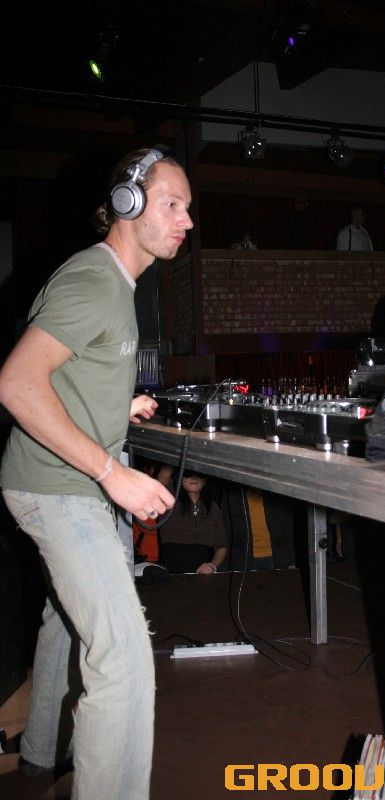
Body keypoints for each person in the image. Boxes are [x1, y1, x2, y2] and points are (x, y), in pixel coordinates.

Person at [0, 145, 193, 798]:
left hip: (62, 482)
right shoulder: (94, 281)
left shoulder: (116, 283)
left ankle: (37, 755)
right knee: (125, 662)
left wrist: (118, 403)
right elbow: (18, 383)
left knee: (66, 617)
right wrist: (112, 473)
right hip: (59, 490)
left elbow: (70, 369)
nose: (186, 220)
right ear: (126, 204)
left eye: (188, 207)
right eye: (172, 204)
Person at [155, 466, 228, 574]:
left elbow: (222, 546)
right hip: (171, 574)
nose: (194, 478)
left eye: (199, 475)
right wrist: (178, 457)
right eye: (188, 473)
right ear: (180, 478)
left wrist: (212, 566)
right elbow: (162, 479)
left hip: (201, 575)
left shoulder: (212, 507)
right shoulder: (170, 501)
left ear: (204, 481)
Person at [222, 481, 296, 570]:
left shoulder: (275, 489)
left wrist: (292, 560)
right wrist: (225, 566)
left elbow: (288, 526)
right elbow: (226, 529)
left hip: (276, 557)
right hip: (244, 559)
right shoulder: (234, 491)